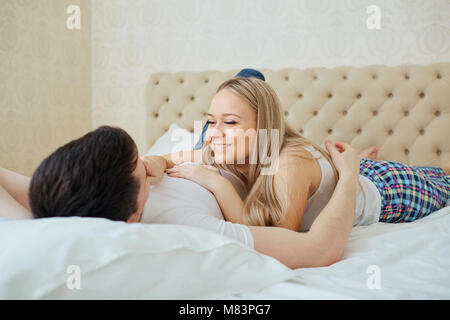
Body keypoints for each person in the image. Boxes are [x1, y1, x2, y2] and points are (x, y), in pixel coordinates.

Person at [0, 123, 385, 269]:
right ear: (132, 217)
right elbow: (319, 250)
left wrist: (157, 160)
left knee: (249, 83)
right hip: (278, 172)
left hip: (216, 158)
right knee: (437, 178)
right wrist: (351, 173)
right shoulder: (190, 230)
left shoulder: (62, 191)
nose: (148, 168)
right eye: (139, 167)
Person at [147, 75, 450, 233]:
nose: (214, 134)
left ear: (263, 126)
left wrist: (219, 184)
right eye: (211, 121)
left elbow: (279, 236)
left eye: (230, 122)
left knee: (444, 183)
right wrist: (153, 162)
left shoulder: (288, 162)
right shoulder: (229, 147)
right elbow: (172, 158)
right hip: (359, 171)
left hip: (388, 191)